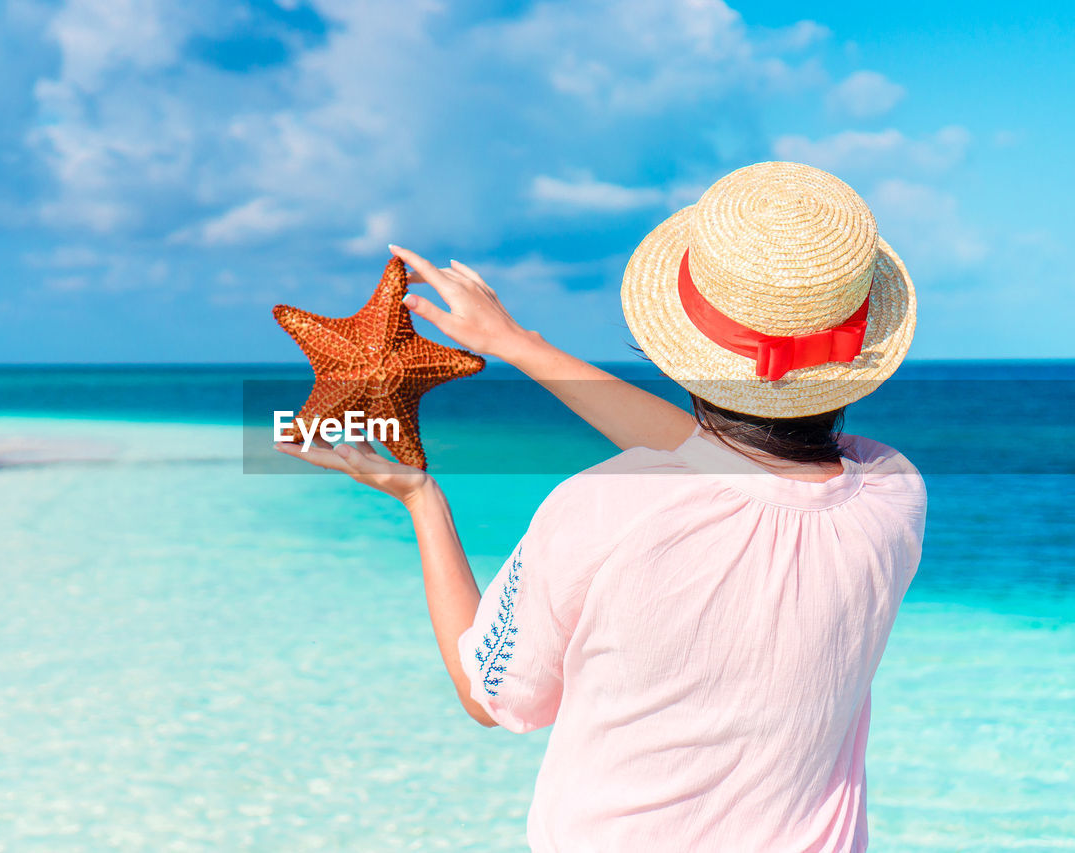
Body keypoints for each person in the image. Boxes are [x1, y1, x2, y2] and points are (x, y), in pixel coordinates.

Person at [275, 161, 926, 851]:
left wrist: (420, 497)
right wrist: (514, 345)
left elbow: (488, 695)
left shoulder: (603, 507)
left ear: (676, 341)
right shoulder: (894, 493)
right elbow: (734, 469)